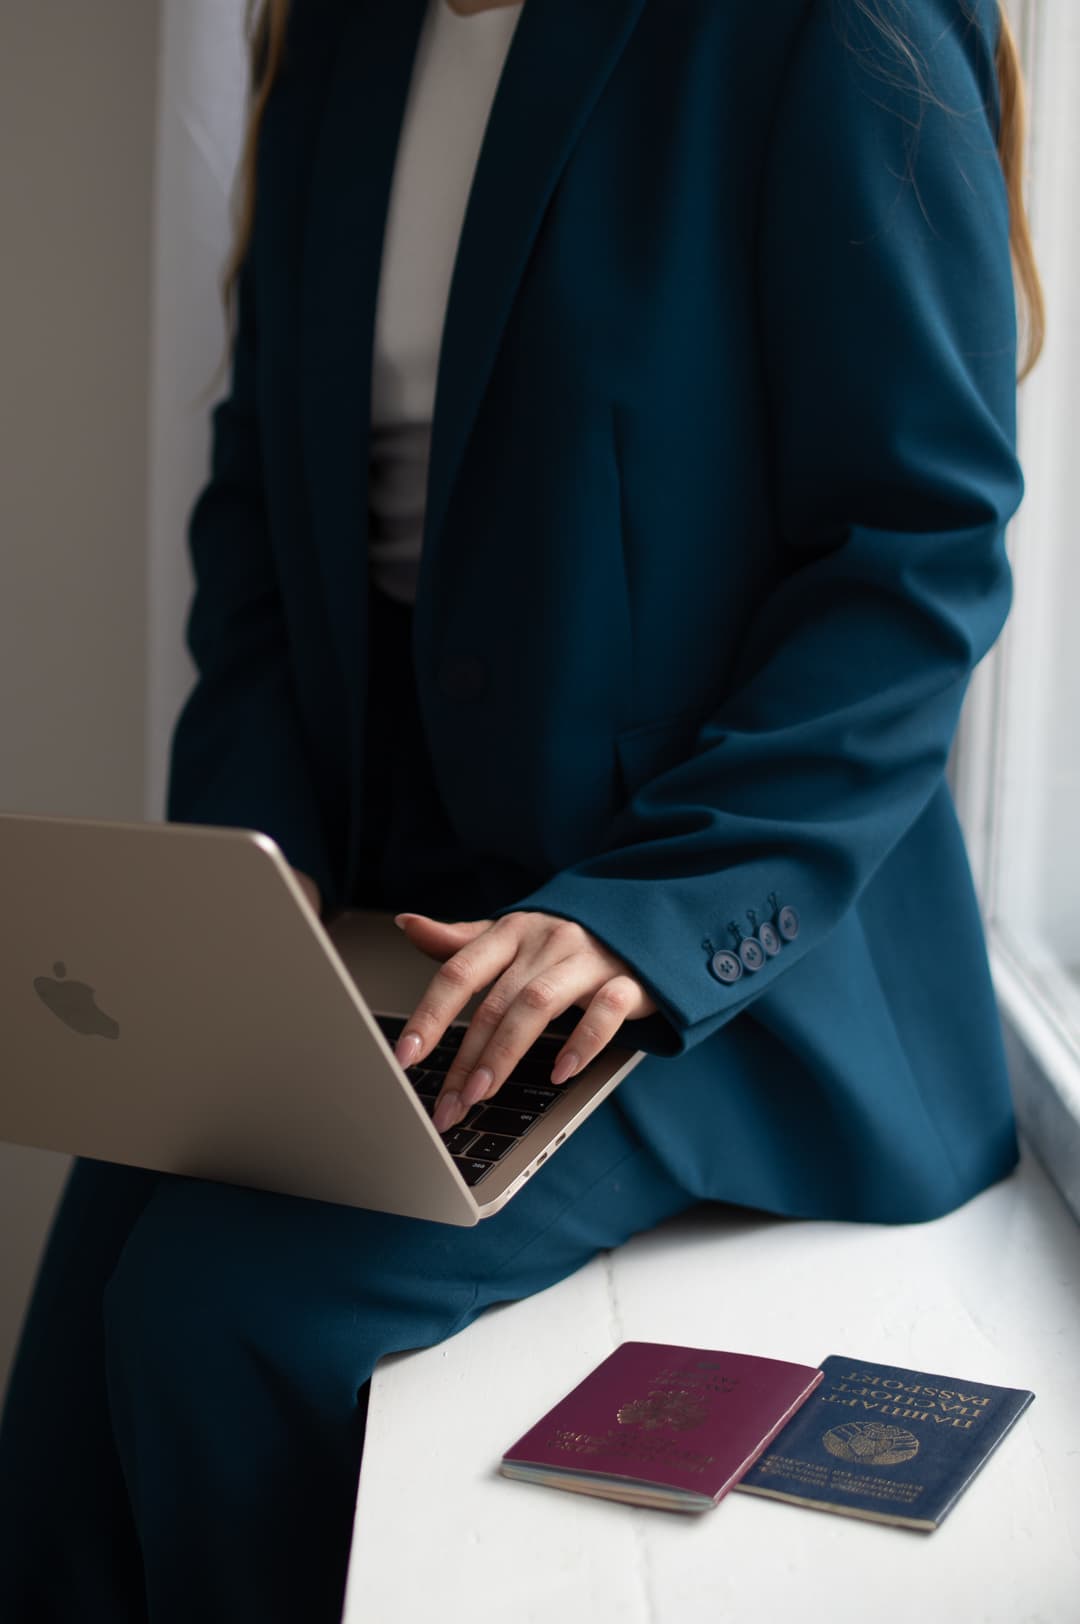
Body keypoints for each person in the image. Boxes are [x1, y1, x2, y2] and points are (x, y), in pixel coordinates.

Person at [0, 0, 1045, 1618]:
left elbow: (915, 559)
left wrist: (647, 919)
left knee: (220, 1320)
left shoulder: (825, 25)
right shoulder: (339, 36)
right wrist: (250, 911)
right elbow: (264, 528)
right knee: (74, 1356)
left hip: (710, 941)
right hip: (393, 904)